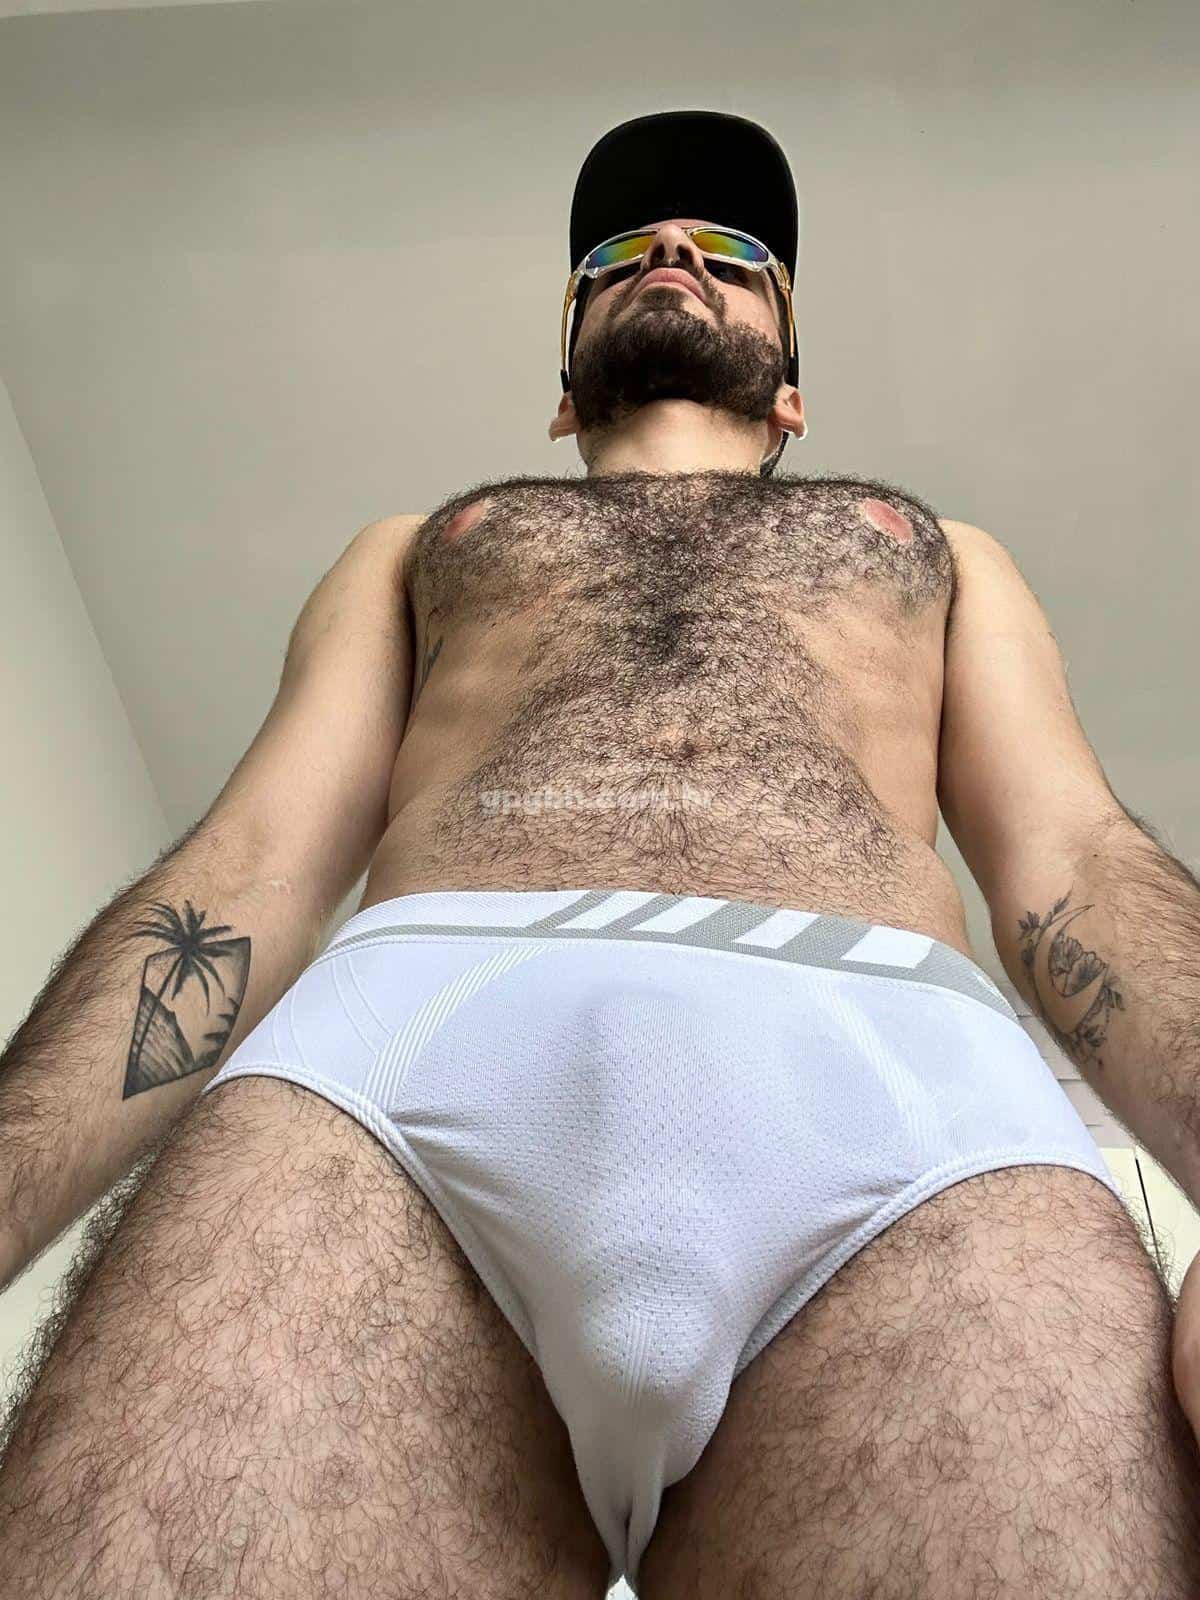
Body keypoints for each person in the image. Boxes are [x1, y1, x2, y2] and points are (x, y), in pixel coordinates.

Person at [1, 108, 1199, 1598]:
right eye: (621, 250)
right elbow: (243, 870)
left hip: (902, 1078)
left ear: (793, 387)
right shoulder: (425, 545)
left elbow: (1075, 863)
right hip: (398, 1060)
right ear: (563, 391)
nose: (675, 248)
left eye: (733, 253)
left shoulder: (928, 549)